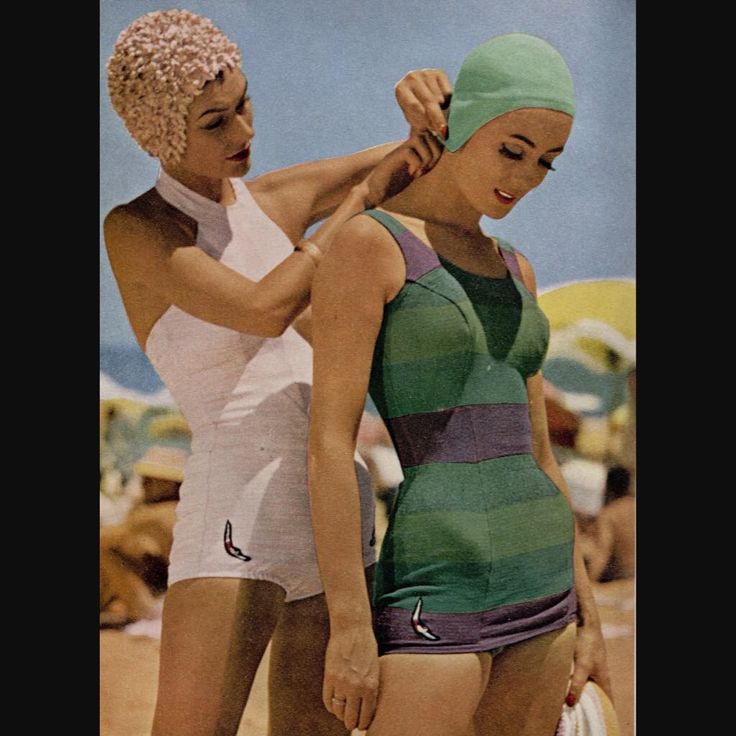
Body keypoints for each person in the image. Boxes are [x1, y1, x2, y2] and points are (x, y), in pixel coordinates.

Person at [103, 9, 449, 736]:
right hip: (237, 494)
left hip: (332, 496)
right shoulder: (138, 228)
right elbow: (264, 308)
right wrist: (356, 207)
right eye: (214, 121)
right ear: (162, 132)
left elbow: (430, 150)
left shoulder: (274, 205)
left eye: (245, 104)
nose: (243, 133)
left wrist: (425, 93)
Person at [308, 33, 614, 735]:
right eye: (512, 148)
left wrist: (588, 612)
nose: (526, 176)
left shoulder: (517, 268)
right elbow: (329, 446)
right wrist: (350, 626)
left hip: (545, 589)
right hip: (437, 585)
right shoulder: (372, 244)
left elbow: (542, 456)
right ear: (462, 124)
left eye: (546, 162)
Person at [587, 466, 635, 583]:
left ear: (608, 486)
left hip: (628, 578)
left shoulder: (609, 514)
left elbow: (602, 553)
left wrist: (587, 584)